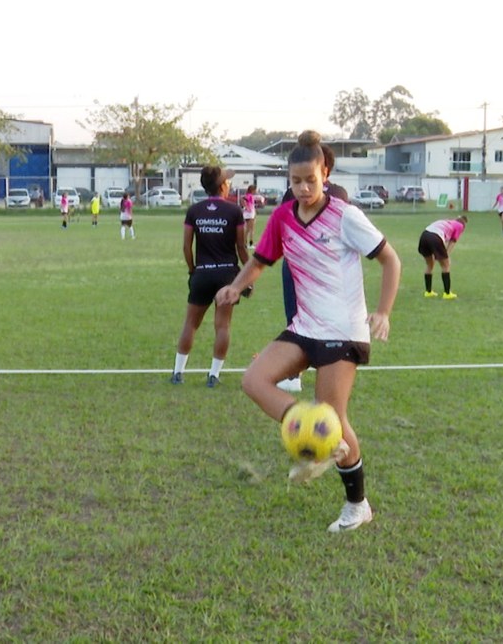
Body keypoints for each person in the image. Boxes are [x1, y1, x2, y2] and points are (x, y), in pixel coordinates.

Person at [215, 130, 400, 533]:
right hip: (304, 327)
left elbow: (390, 260)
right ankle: (311, 433)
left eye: (310, 180)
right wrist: (236, 286)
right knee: (254, 380)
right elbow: (261, 261)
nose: (302, 188)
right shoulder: (282, 217)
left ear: (325, 173)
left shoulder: (345, 215)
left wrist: (383, 311)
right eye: (295, 181)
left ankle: (357, 506)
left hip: (343, 332)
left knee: (335, 418)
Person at [275, 143, 348, 392]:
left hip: (299, 268)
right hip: (330, 270)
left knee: (297, 318)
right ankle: (329, 374)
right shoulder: (342, 193)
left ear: (322, 169)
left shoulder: (293, 194)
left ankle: (294, 375)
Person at [170, 166, 248, 388]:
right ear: (223, 185)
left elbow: (187, 246)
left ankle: (178, 372)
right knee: (222, 326)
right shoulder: (234, 211)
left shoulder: (194, 210)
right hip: (226, 274)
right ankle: (213, 376)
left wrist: (192, 269)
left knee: (191, 324)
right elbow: (241, 247)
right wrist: (246, 278)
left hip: (202, 273)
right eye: (228, 181)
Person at [418, 216, 468, 299]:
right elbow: (452, 242)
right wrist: (446, 255)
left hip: (424, 235)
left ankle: (428, 292)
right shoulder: (460, 226)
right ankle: (447, 293)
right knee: (446, 265)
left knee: (429, 265)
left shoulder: (447, 222)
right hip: (435, 237)